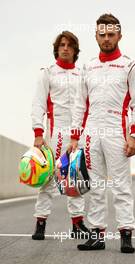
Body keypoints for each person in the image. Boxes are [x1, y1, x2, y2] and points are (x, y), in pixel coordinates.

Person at [69, 14, 135, 253]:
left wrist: (134, 135)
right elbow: (80, 104)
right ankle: (97, 235)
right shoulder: (88, 66)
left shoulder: (131, 65)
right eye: (102, 34)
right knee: (95, 185)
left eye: (111, 34)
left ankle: (126, 234)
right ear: (95, 36)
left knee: (121, 185)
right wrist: (75, 136)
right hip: (91, 133)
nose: (106, 39)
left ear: (119, 35)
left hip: (117, 131)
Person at [31, 31, 89, 240]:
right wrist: (38, 133)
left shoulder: (82, 74)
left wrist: (78, 135)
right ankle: (40, 222)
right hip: (54, 134)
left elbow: (86, 106)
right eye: (62, 45)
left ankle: (77, 224)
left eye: (69, 45)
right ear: (57, 48)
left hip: (77, 134)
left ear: (75, 50)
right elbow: (38, 103)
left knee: (74, 179)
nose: (65, 48)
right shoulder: (47, 72)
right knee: (48, 180)